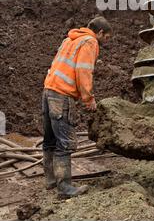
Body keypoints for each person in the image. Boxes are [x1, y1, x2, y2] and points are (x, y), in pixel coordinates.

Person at [42, 16, 112, 198]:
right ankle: (65, 188)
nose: (106, 42)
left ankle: (50, 180)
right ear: (101, 32)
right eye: (107, 37)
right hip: (62, 96)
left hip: (48, 90)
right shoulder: (90, 42)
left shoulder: (70, 39)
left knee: (49, 139)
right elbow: (83, 71)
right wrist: (89, 100)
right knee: (65, 144)